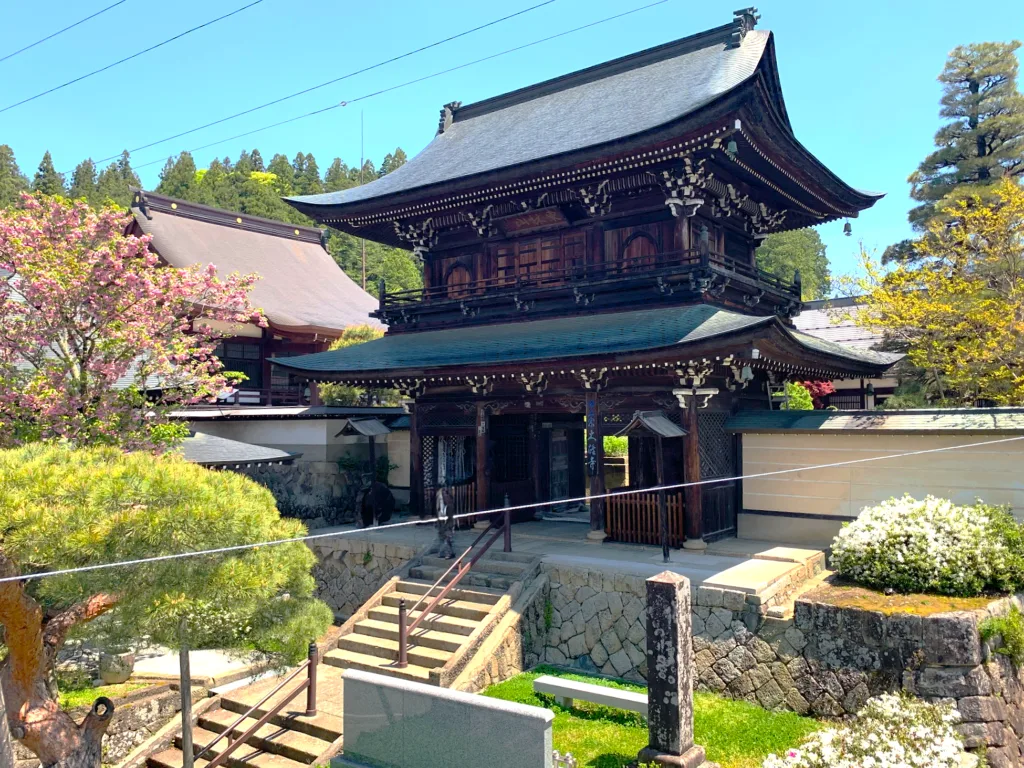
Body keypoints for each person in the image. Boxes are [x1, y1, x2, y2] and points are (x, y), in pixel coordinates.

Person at [435, 486, 456, 559]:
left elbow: (450, 516)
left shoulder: (449, 505)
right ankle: (444, 553)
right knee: (443, 538)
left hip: (447, 523)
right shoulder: (440, 500)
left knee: (447, 538)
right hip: (442, 522)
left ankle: (447, 553)